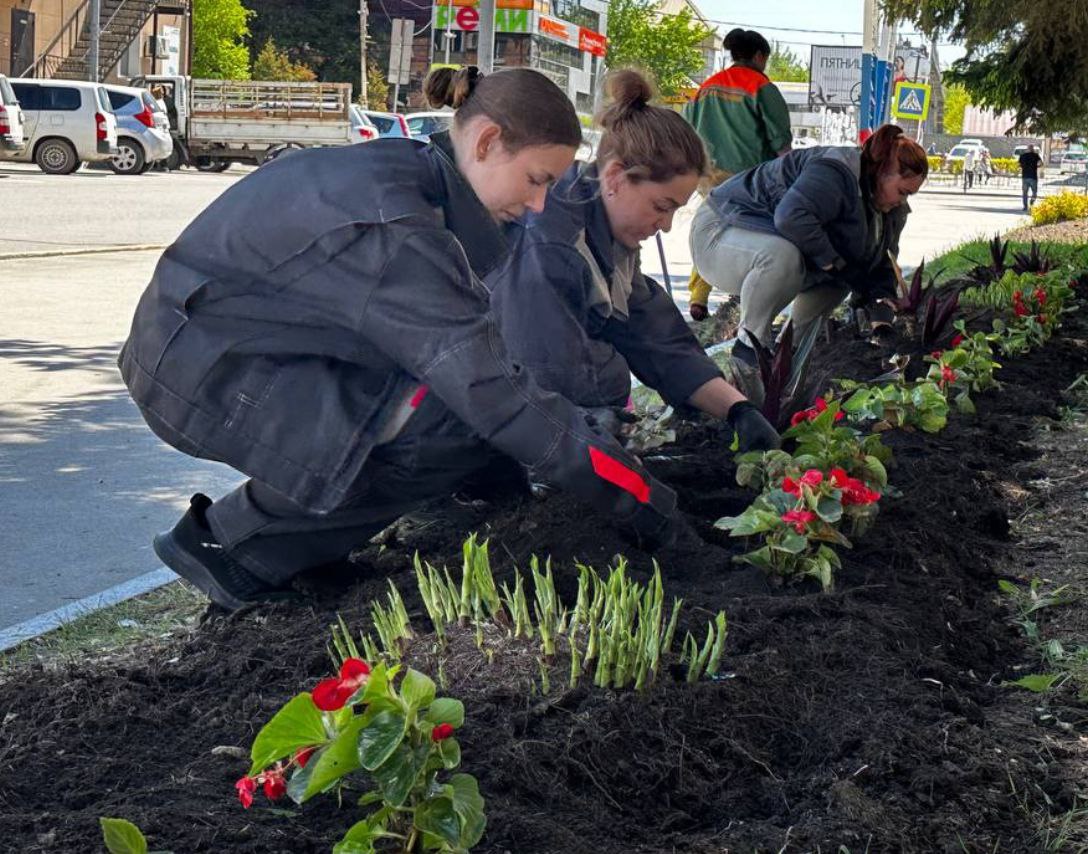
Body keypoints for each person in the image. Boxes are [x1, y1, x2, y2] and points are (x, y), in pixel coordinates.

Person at [119, 67, 681, 611]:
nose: (539, 205)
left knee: (446, 404)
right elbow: (492, 392)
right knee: (449, 421)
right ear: (486, 141)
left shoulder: (413, 172)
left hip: (217, 339)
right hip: (204, 366)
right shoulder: (401, 233)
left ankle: (304, 541)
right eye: (537, 181)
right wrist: (638, 496)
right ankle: (236, 547)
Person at [487, 70, 779, 452]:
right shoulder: (551, 244)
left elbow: (654, 336)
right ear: (615, 178)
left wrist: (738, 410)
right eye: (662, 207)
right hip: (480, 446)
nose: (667, 226)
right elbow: (550, 371)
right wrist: (589, 413)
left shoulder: (604, 232)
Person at [688, 124, 928, 363]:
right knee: (785, 256)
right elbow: (791, 218)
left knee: (839, 280)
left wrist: (882, 320)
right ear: (882, 172)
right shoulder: (835, 171)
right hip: (719, 229)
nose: (903, 201)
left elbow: (881, 267)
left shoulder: (891, 210)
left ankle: (789, 355)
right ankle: (750, 347)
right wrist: (836, 264)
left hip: (766, 240)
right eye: (902, 191)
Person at [683, 28, 793, 322]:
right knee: (757, 234)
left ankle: (699, 296)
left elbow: (687, 130)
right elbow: (780, 140)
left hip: (709, 175)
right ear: (759, 56)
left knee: (711, 227)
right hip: (750, 179)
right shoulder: (760, 86)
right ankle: (748, 290)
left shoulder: (706, 87)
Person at [1019, 144, 1044, 211]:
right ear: (1033, 149)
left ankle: (1025, 206)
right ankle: (1031, 202)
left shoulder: (1022, 156)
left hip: (1025, 177)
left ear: (1027, 149)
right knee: (1034, 192)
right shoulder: (1036, 156)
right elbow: (1041, 163)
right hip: (1033, 177)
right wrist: (1037, 166)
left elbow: (1019, 165)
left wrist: (1024, 167)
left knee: (1025, 193)